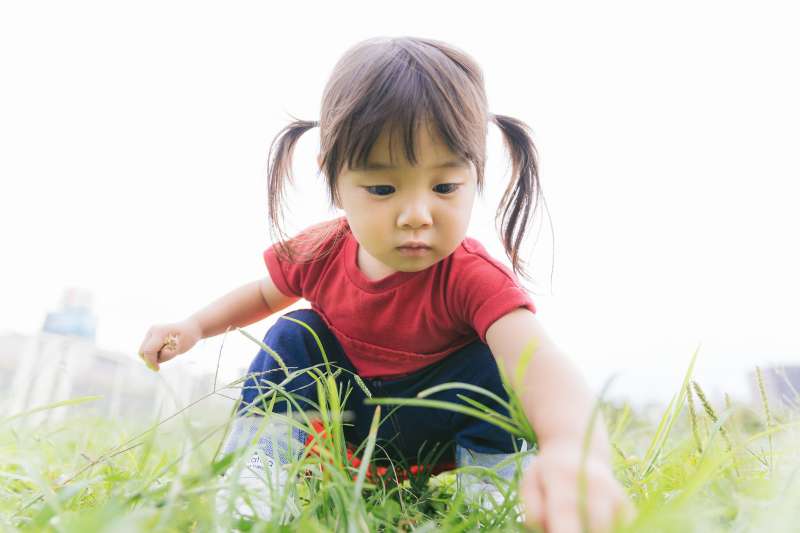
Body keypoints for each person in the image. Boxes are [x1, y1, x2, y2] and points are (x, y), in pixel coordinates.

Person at [138, 36, 634, 531]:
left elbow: (538, 361)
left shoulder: (470, 277)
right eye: (382, 188)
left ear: (474, 176)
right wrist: (195, 326)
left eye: (444, 187)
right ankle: (258, 473)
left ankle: (495, 486)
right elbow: (264, 294)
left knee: (494, 359)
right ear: (333, 180)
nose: (416, 215)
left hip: (437, 422)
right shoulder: (322, 250)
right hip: (349, 420)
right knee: (294, 331)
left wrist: (574, 449)